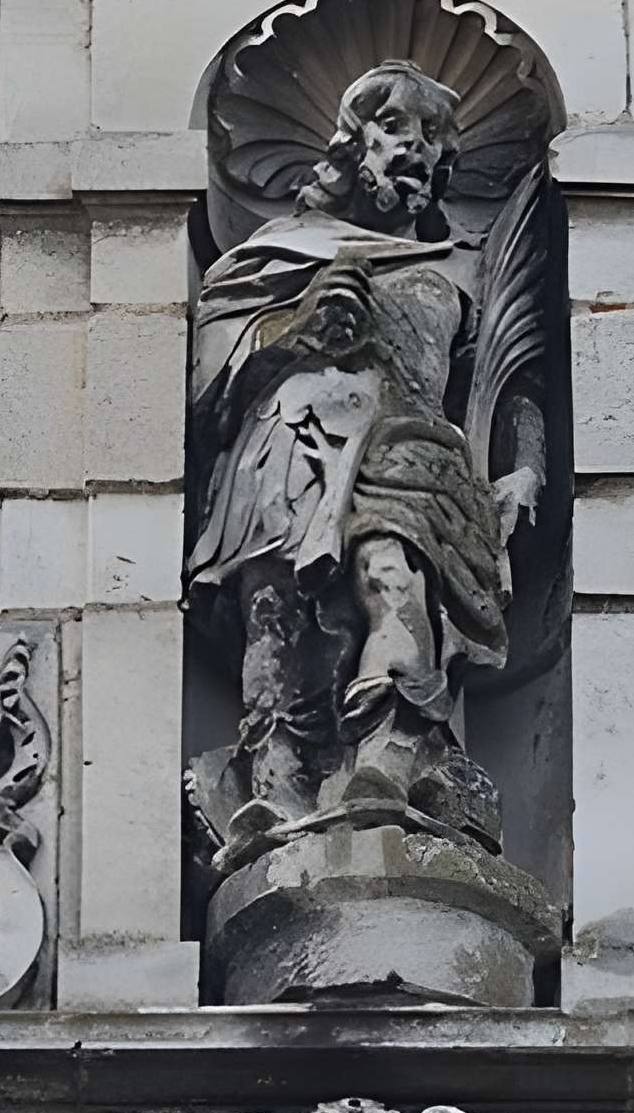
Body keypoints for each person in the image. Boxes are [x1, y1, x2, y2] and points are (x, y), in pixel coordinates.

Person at [187, 58, 539, 866]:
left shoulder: (461, 265)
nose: (412, 149)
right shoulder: (287, 248)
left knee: (394, 581)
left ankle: (388, 765)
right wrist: (302, 327)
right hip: (290, 437)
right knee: (275, 614)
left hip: (412, 454)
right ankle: (273, 785)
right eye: (393, 130)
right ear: (355, 148)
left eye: (430, 137)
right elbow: (211, 373)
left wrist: (526, 469)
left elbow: (509, 381)